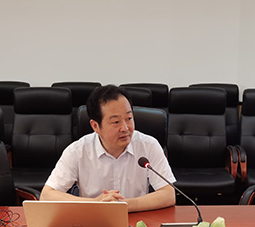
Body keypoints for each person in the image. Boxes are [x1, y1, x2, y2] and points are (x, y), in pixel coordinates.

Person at [41, 85, 176, 212]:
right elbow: (47, 195)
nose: (125, 128)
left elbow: (169, 194)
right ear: (95, 126)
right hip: (93, 219)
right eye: (116, 122)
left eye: (129, 118)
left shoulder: (148, 146)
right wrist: (95, 203)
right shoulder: (77, 151)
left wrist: (125, 205)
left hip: (136, 217)